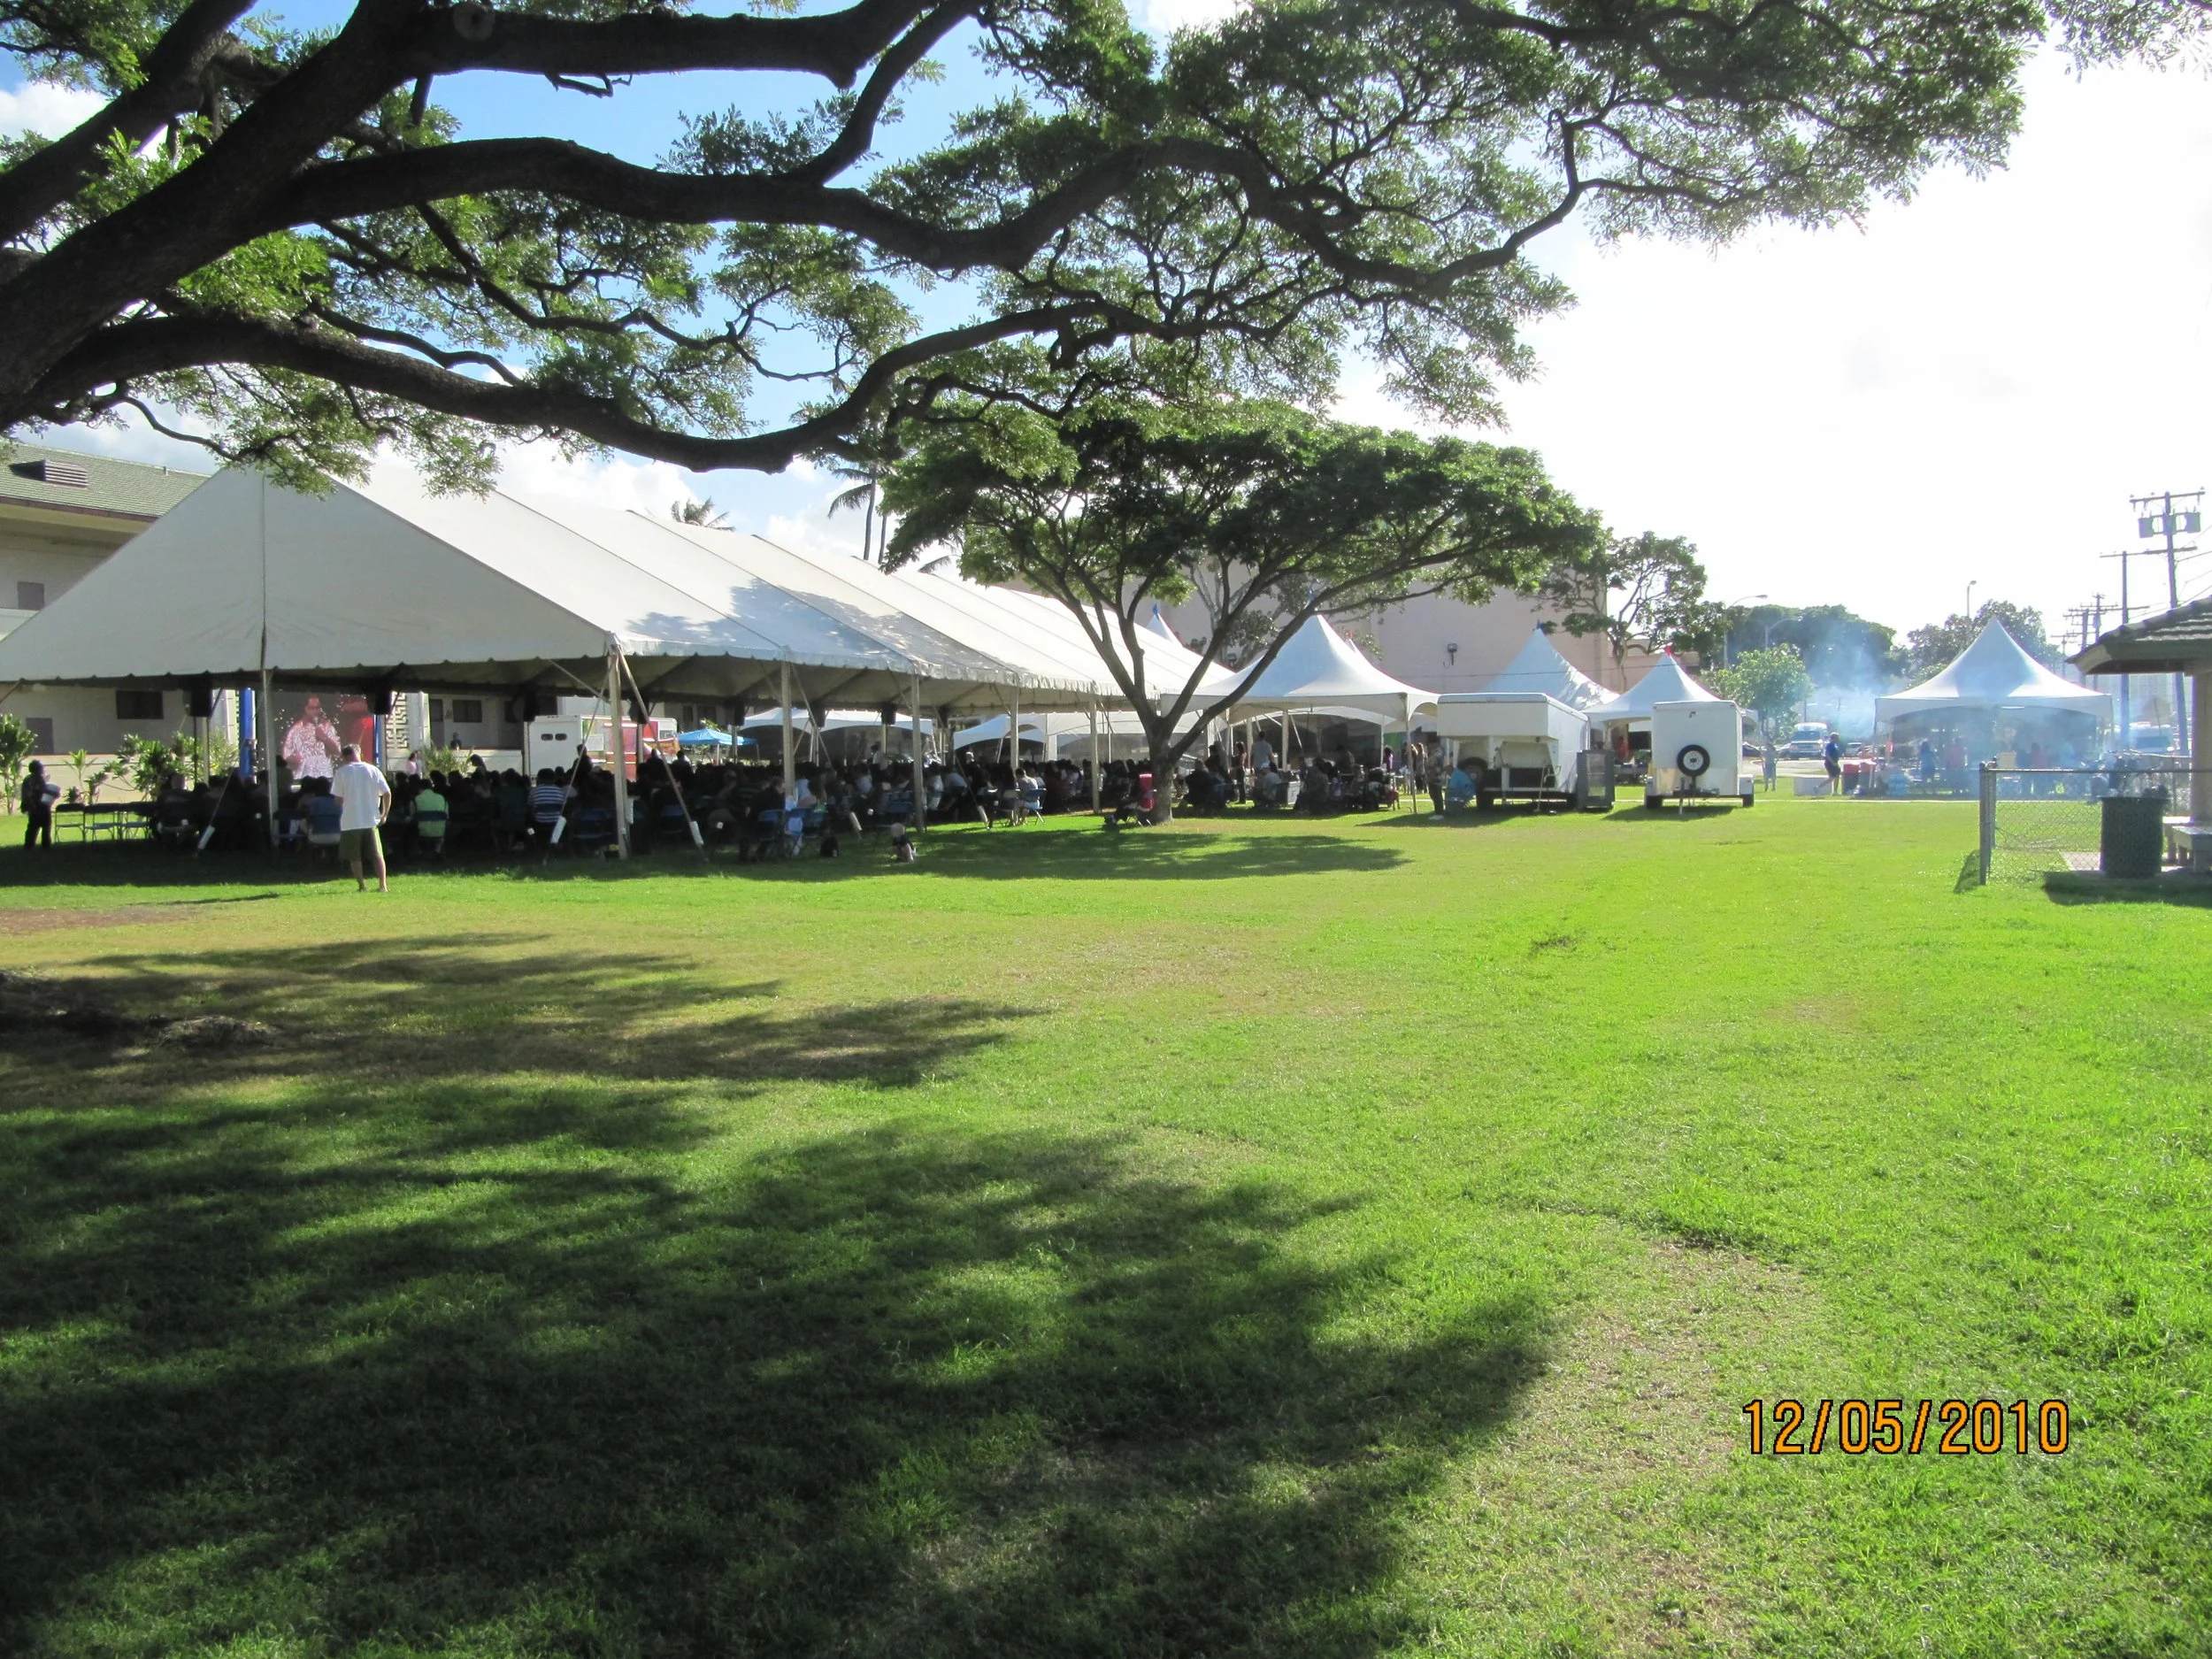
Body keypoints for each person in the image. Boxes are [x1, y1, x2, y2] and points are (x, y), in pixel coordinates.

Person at [329, 742, 393, 892]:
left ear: (345, 757)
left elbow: (338, 799)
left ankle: (362, 885)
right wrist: (384, 814)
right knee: (377, 855)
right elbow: (387, 793)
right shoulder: (373, 770)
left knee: (354, 856)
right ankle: (383, 885)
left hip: (350, 820)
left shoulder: (342, 772)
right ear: (359, 753)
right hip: (370, 819)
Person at [19, 759, 57, 849]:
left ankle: (29, 845)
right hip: (40, 806)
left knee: (33, 826)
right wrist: (54, 794)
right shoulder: (38, 779)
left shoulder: (27, 779)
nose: (43, 769)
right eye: (41, 768)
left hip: (32, 806)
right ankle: (45, 845)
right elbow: (41, 791)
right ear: (38, 769)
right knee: (45, 826)